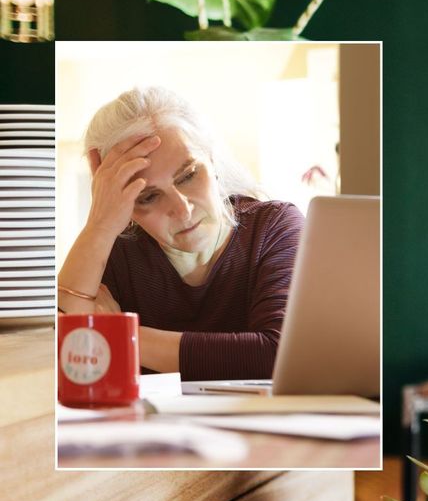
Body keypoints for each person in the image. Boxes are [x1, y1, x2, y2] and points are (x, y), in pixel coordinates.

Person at [58, 86, 305, 381]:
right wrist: (99, 225)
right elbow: (61, 360)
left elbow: (280, 356)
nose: (182, 209)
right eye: (147, 197)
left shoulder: (274, 227)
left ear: (212, 160)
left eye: (188, 175)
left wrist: (118, 337)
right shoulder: (115, 252)